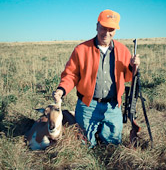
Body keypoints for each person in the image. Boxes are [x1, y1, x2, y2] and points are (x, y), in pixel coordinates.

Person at [53, 9, 140, 147]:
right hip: (87, 105)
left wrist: (133, 67)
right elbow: (71, 74)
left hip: (112, 106)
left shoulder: (123, 50)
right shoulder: (81, 49)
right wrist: (61, 90)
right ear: (97, 26)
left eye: (111, 29)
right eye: (103, 28)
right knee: (85, 145)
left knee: (112, 146)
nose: (106, 33)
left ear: (115, 30)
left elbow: (128, 78)